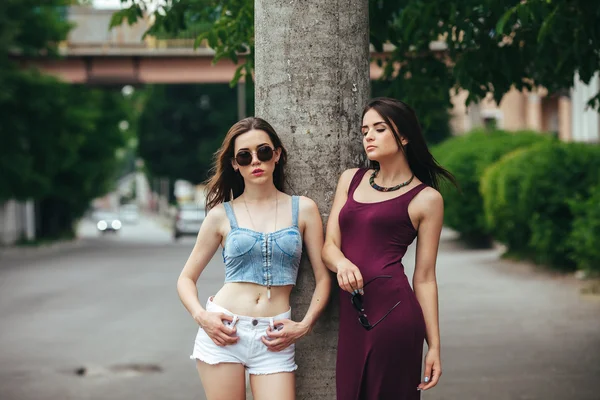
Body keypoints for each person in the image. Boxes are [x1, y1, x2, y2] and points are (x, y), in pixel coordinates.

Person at [178, 117, 331, 400]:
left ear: (277, 154)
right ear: (235, 164)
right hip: (224, 332)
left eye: (263, 152)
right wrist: (202, 317)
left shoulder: (304, 209)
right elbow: (186, 279)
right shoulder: (220, 215)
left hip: (274, 337)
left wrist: (304, 324)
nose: (255, 162)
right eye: (244, 157)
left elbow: (323, 279)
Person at [322, 97, 456, 399]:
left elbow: (424, 278)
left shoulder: (427, 199)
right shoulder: (351, 180)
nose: (368, 136)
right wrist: (342, 264)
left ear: (404, 136)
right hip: (354, 318)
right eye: (364, 129)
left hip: (395, 316)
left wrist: (433, 346)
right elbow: (329, 246)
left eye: (379, 129)